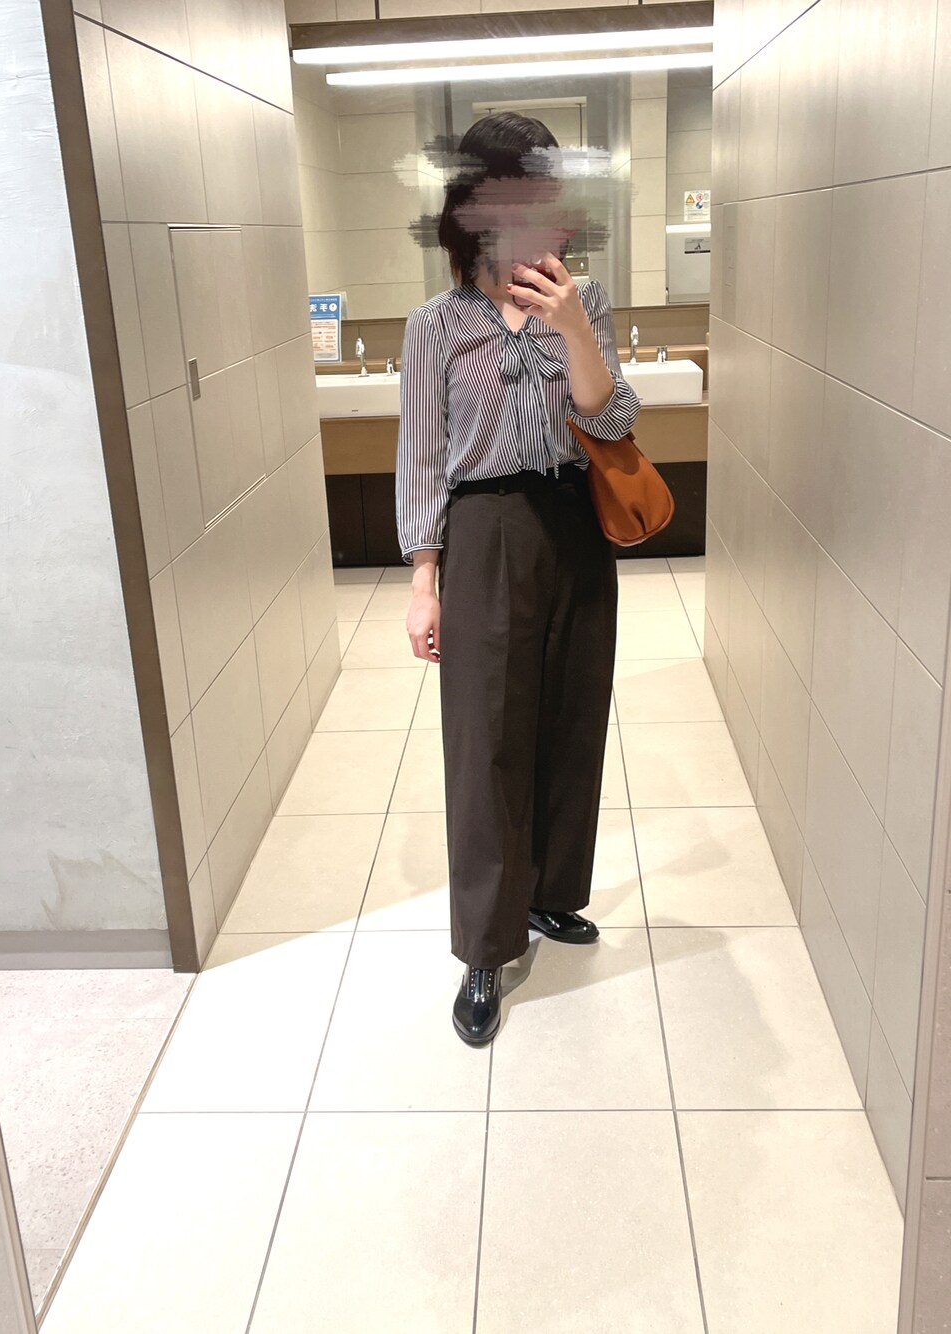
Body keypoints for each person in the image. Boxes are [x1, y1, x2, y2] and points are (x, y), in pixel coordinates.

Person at [395, 111, 640, 1047]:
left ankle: (549, 895)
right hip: (485, 531)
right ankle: (486, 946)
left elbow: (610, 420)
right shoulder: (436, 325)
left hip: (575, 522)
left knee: (573, 715)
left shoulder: (587, 301)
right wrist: (425, 582)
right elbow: (423, 460)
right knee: (487, 739)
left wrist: (574, 326)